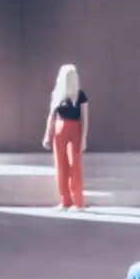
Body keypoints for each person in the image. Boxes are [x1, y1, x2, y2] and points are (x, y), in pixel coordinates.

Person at [41, 64, 89, 209]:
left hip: (74, 130)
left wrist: (84, 138)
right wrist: (47, 135)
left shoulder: (80, 95)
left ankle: (78, 202)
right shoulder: (57, 94)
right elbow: (51, 116)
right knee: (61, 165)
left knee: (75, 165)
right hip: (59, 130)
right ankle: (65, 201)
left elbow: (85, 118)